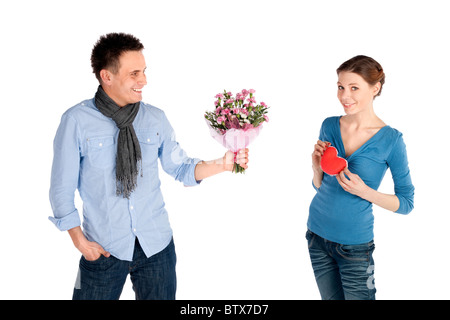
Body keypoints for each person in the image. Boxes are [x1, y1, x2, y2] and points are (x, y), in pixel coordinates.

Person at [49, 32, 249, 300]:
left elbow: (181, 168)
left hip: (156, 247)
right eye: (134, 73)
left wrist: (223, 164)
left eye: (143, 71)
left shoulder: (155, 118)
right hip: (104, 249)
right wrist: (79, 241)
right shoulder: (76, 121)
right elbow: (61, 189)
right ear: (106, 76)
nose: (144, 80)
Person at [306, 55, 414, 300]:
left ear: (375, 88)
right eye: (341, 87)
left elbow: (407, 204)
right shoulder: (329, 125)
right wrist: (316, 169)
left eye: (354, 88)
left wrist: (366, 192)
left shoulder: (391, 140)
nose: (345, 96)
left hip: (354, 247)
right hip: (316, 237)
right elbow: (321, 187)